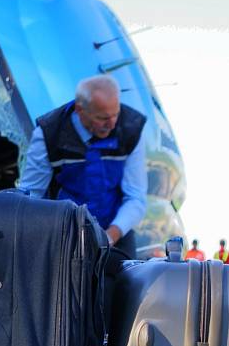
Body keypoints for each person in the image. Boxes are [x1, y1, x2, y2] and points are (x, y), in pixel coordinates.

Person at [18, 74, 147, 265]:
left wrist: (110, 236)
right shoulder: (48, 133)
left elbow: (136, 196)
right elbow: (31, 194)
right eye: (103, 118)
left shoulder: (132, 128)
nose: (112, 124)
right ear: (80, 110)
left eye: (115, 114)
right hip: (62, 232)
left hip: (114, 232)